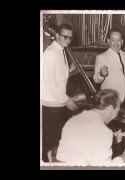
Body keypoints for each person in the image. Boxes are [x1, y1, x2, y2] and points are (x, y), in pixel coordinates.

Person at [56, 89, 125, 165]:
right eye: (117, 111)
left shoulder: (72, 120)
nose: (116, 115)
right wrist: (121, 159)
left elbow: (83, 145)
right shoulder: (104, 133)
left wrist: (113, 139)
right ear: (110, 109)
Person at [41, 24, 78, 162]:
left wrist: (69, 70)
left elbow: (57, 75)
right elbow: (49, 82)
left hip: (57, 102)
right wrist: (66, 99)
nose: (68, 40)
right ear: (57, 35)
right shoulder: (50, 53)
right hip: (51, 103)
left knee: (55, 139)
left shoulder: (61, 50)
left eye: (70, 38)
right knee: (51, 141)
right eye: (65, 37)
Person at [93, 29, 125, 108]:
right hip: (110, 100)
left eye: (119, 40)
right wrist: (101, 74)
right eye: (113, 40)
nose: (116, 43)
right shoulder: (102, 57)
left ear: (122, 41)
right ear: (108, 41)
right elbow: (96, 79)